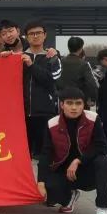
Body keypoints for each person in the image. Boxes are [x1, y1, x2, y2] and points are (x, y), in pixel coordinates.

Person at [37, 87, 107, 214]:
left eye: (78, 103)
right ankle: (70, 195)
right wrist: (40, 182)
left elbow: (102, 147)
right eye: (69, 103)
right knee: (49, 194)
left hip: (88, 170)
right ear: (62, 105)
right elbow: (45, 154)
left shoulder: (93, 119)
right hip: (64, 171)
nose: (74, 107)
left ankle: (102, 207)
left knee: (103, 162)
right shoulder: (52, 124)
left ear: (83, 105)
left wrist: (78, 160)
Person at [21, 22, 62, 159]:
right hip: (22, 113)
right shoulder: (19, 57)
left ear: (45, 35)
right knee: (24, 155)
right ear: (26, 37)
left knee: (44, 155)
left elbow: (51, 79)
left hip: (44, 112)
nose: (35, 36)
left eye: (38, 33)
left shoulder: (52, 57)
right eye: (31, 34)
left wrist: (31, 65)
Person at [57, 37, 98, 109]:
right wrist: (93, 98)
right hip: (79, 101)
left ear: (68, 47)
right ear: (80, 48)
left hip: (63, 100)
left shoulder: (59, 62)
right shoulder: (84, 64)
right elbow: (91, 83)